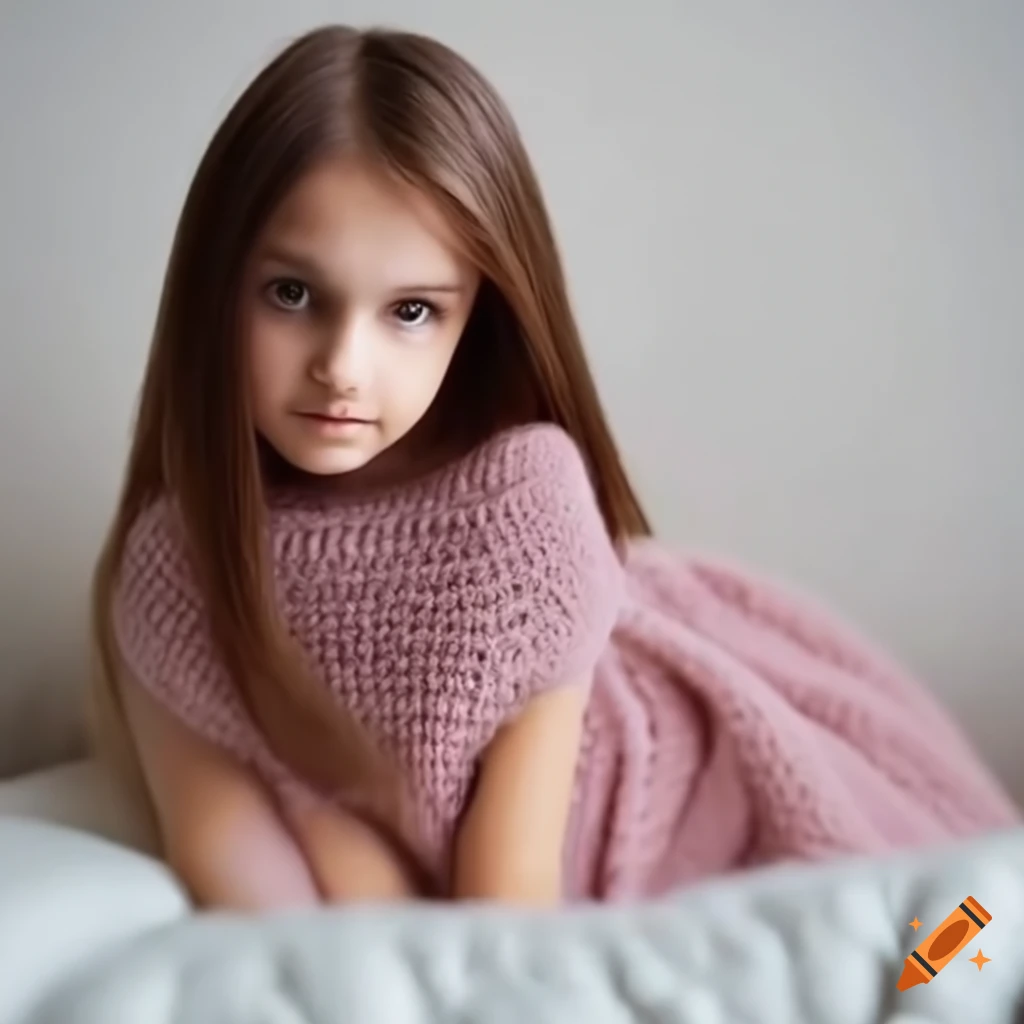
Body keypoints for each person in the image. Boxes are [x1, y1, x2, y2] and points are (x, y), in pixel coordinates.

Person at [88, 24, 1020, 913]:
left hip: (687, 805)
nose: (343, 363)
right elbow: (244, 877)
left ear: (476, 316)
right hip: (449, 904)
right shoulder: (173, 573)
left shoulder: (520, 515)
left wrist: (338, 842)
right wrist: (329, 848)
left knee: (953, 945)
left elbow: (508, 905)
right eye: (292, 294)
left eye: (411, 311)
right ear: (216, 286)